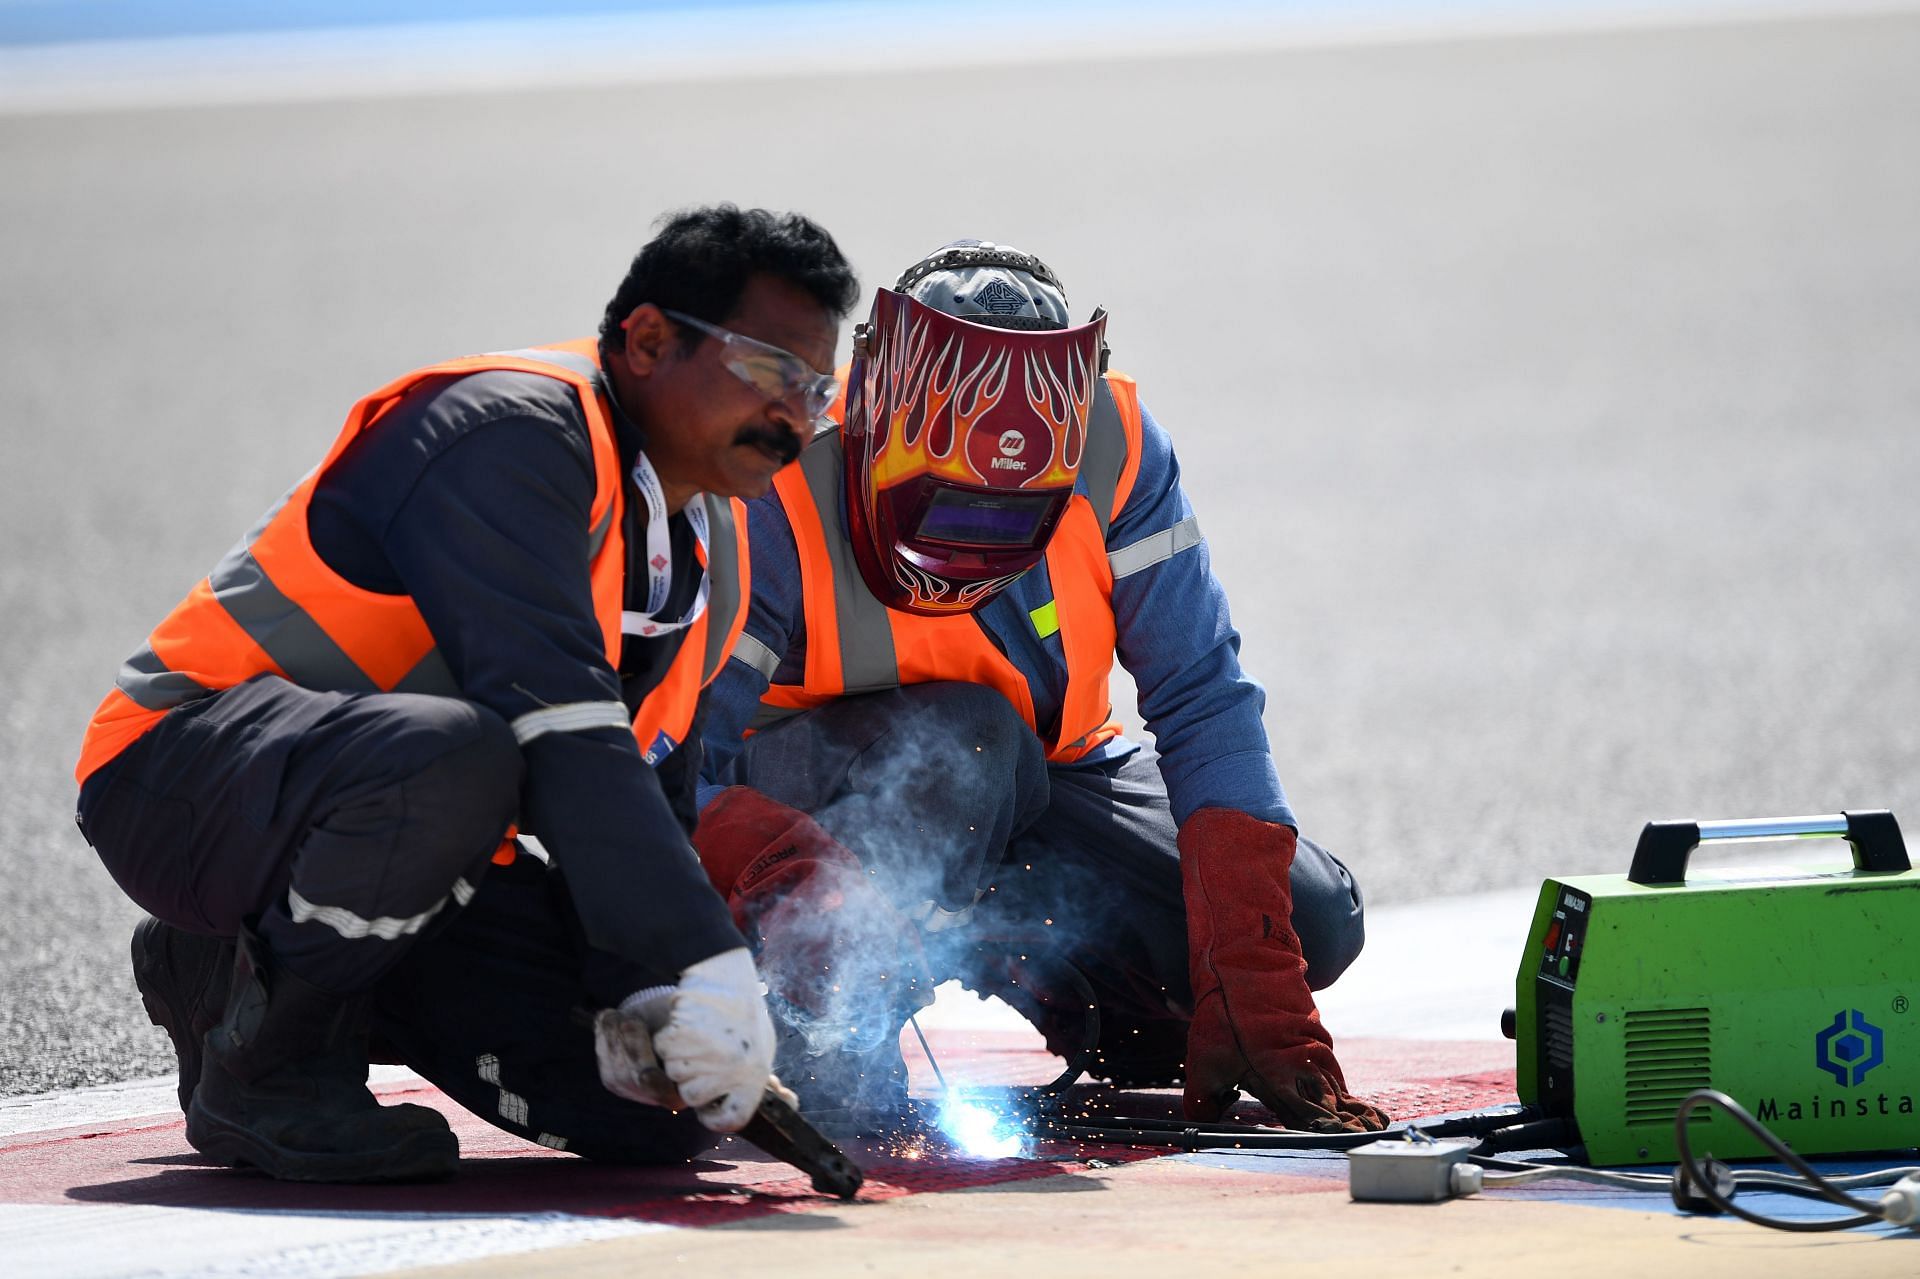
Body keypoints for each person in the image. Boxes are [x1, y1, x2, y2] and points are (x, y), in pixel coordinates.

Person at [74, 205, 860, 1181]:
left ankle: (234, 970)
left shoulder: (706, 545)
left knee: (659, 1119)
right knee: (459, 756)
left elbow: (645, 785)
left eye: (817, 387)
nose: (797, 413)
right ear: (650, 340)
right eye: (771, 370)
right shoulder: (503, 432)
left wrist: (656, 993)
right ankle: (267, 1070)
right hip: (181, 777)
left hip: (398, 823)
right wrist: (706, 962)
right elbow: (558, 721)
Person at [691, 240, 1388, 1136]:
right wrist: (801, 896)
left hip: (1046, 774)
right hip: (818, 798)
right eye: (951, 497)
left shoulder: (1116, 448)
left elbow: (1203, 695)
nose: (979, 534)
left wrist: (1252, 967)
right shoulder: (776, 486)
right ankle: (818, 1012)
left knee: (1313, 919)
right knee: (969, 743)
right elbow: (679, 764)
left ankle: (1085, 994)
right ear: (877, 417)